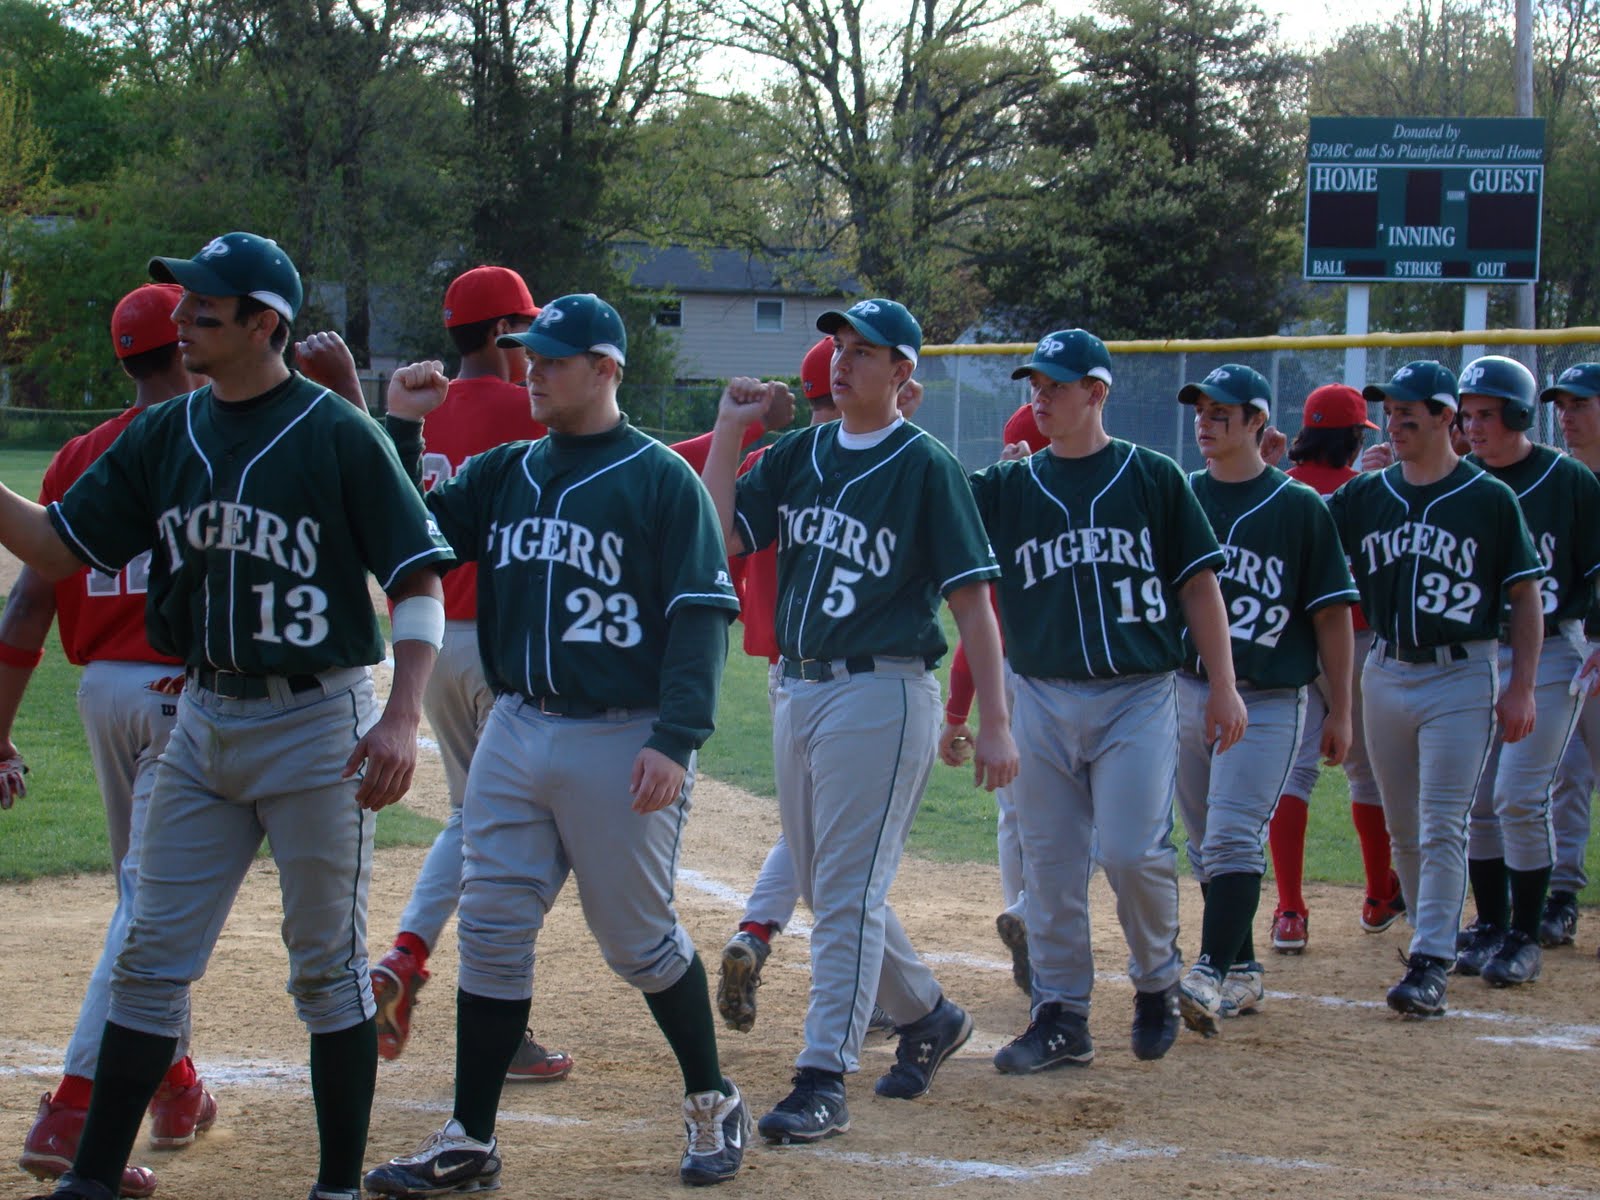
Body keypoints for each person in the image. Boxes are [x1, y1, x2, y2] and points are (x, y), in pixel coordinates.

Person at [11, 232, 453, 1200]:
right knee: (148, 954)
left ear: (266, 324)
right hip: (201, 712)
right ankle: (89, 1181)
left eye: (206, 307)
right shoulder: (162, 436)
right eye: (185, 303)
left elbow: (418, 581)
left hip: (317, 722)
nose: (184, 318)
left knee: (325, 973)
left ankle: (335, 1188)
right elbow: (54, 550)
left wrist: (401, 717)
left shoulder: (338, 432)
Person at [361, 293, 750, 1192]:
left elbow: (699, 617)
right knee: (493, 930)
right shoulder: (506, 471)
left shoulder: (659, 479)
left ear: (607, 369)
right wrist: (402, 429)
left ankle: (711, 1099)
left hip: (622, 738)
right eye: (527, 356)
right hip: (515, 723)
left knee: (638, 942)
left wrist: (676, 738)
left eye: (553, 360)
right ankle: (469, 1137)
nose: (531, 372)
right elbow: (411, 534)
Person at [700, 298, 1017, 1145]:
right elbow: (716, 534)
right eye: (838, 346)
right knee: (821, 881)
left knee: (845, 893)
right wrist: (731, 432)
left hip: (881, 690)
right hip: (795, 689)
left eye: (865, 350)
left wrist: (993, 720)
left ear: (903, 371)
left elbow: (973, 603)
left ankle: (821, 1077)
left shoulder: (925, 464)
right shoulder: (799, 453)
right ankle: (932, 1016)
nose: (843, 361)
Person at [964, 329, 1245, 1074]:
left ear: (1097, 392)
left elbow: (1197, 586)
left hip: (1137, 696)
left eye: (1057, 385)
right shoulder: (1009, 488)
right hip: (1041, 696)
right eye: (1037, 385)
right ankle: (1060, 1015)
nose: (1041, 397)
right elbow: (933, 512)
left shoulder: (1153, 477)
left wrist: (1222, 683)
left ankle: (1156, 979)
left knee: (1129, 852)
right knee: (1048, 865)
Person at [2, 285, 213, 1199]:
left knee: (150, 896)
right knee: (154, 909)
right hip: (184, 691)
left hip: (102, 694)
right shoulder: (217, 435)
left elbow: (29, 601)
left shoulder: (81, 455)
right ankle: (74, 1108)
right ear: (186, 341)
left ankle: (174, 1085)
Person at [363, 265, 571, 1081]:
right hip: (502, 644)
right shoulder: (530, 409)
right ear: (498, 337)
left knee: (471, 818)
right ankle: (445, 979)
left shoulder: (425, 410)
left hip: (426, 638)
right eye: (523, 333)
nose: (534, 352)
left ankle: (415, 958)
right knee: (524, 833)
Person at [715, 339, 917, 1037]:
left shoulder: (773, 462)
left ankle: (759, 930)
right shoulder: (811, 466)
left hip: (788, 672)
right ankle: (897, 1007)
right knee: (844, 861)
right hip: (840, 675)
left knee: (831, 853)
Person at [1329, 360, 1543, 1017]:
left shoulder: (1487, 498)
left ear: (1446, 417)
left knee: (1442, 821)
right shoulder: (1368, 495)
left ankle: (1429, 962)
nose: (1395, 421)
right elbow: (1301, 530)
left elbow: (1525, 596)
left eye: (1408, 412)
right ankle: (1432, 936)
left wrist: (1522, 687)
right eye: (1390, 410)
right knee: (1403, 828)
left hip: (1462, 671)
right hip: (1387, 669)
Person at [1170, 365, 1357, 1036]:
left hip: (1272, 698)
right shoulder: (1180, 495)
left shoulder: (1299, 506)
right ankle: (1244, 969)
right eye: (1202, 410)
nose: (1207, 422)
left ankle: (1211, 968)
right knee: (1204, 847)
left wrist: (1343, 709)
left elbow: (1333, 616)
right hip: (1185, 690)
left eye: (1225, 412)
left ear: (1258, 424)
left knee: (1230, 838)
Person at [1453, 356, 1600, 985]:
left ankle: (1526, 932)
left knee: (1519, 795)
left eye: (1487, 414)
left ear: (1518, 415)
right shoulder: (1460, 482)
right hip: (1481, 655)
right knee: (1479, 801)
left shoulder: (1567, 481)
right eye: (1467, 415)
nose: (1475, 426)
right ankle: (1491, 923)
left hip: (1553, 651)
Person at [1266, 384, 1397, 952]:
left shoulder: (1279, 490)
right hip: (1355, 641)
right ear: (1349, 439)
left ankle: (1290, 909)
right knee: (1366, 773)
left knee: (1294, 775)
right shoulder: (1367, 493)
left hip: (1289, 645)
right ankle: (1376, 895)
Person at [939, 401, 1049, 993]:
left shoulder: (990, 523)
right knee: (1081, 817)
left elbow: (976, 630)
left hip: (1003, 675)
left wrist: (957, 712)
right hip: (1052, 678)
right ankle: (1030, 913)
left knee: (1015, 815)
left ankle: (1023, 912)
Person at [1540, 362, 1600, 951]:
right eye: (1562, 405)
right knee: (1565, 775)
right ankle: (1560, 896)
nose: (1567, 415)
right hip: (1567, 639)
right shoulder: (1555, 480)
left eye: (1580, 404)